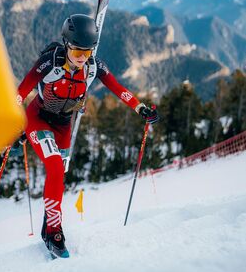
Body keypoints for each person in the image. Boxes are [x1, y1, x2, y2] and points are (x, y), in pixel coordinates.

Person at [17, 14, 159, 258]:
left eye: (87, 51)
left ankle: (49, 220)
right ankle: (54, 231)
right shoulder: (49, 63)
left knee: (58, 176)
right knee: (53, 166)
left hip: (63, 126)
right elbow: (21, 91)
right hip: (38, 119)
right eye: (77, 51)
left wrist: (139, 107)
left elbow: (117, 87)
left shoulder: (94, 66)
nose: (82, 58)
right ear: (66, 44)